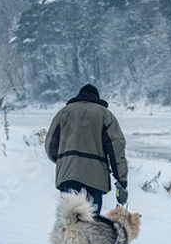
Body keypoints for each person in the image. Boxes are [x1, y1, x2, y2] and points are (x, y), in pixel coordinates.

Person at [45, 84, 128, 215]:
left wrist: (65, 160)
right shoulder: (105, 115)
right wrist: (121, 178)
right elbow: (116, 148)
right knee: (91, 225)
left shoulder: (64, 113)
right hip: (95, 179)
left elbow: (50, 146)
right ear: (96, 98)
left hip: (68, 176)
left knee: (68, 222)